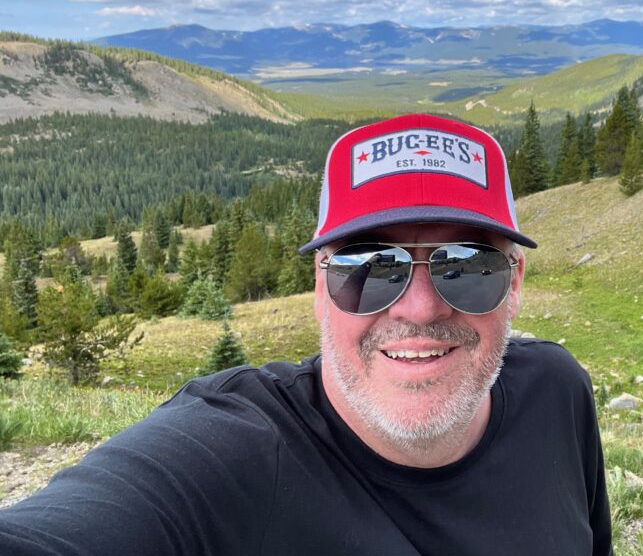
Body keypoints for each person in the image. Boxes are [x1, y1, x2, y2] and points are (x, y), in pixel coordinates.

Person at [0, 113, 612, 555]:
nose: (421, 308)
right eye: (369, 267)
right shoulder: (230, 455)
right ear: (321, 286)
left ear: (515, 281)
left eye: (469, 266)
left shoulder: (557, 395)